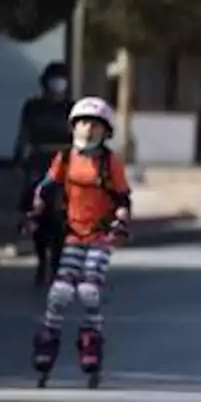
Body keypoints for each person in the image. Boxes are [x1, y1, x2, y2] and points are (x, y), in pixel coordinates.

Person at [28, 98, 132, 384]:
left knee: (89, 292)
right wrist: (34, 214)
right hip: (73, 233)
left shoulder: (110, 163)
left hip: (99, 235)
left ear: (105, 132)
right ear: (74, 127)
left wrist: (121, 222)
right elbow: (46, 188)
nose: (88, 130)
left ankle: (91, 347)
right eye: (84, 123)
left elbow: (122, 198)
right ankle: (47, 344)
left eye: (95, 125)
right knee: (59, 293)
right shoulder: (64, 158)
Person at [14, 62, 73, 285]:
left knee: (63, 215)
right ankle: (41, 260)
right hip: (39, 162)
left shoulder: (71, 108)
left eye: (61, 80)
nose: (57, 85)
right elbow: (23, 135)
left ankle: (57, 261)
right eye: (54, 80)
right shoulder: (33, 107)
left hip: (65, 163)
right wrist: (18, 159)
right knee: (36, 209)